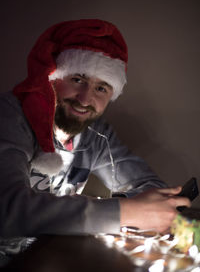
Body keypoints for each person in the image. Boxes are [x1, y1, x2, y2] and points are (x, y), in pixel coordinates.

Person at [0, 19, 190, 264]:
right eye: (77, 79)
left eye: (101, 88)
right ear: (51, 76)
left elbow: (145, 183)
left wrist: (148, 208)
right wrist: (126, 212)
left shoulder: (97, 134)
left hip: (46, 258)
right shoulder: (10, 117)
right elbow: (7, 210)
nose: (85, 99)